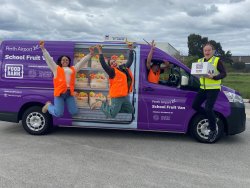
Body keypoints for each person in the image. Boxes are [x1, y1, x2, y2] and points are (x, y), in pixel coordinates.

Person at [40, 41, 94, 117]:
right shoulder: (56, 68)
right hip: (59, 94)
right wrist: (43, 49)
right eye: (63, 60)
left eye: (67, 60)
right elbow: (49, 59)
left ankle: (50, 106)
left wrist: (90, 54)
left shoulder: (73, 69)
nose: (65, 61)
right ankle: (48, 105)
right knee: (58, 114)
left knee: (74, 112)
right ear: (60, 61)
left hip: (69, 93)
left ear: (69, 61)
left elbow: (82, 62)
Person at [192, 43, 227, 142]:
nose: (207, 52)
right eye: (205, 50)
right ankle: (213, 118)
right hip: (203, 88)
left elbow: (224, 73)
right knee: (195, 106)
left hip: (213, 89)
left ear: (212, 51)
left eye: (209, 50)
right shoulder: (200, 61)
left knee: (208, 108)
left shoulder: (216, 60)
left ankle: (213, 130)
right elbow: (197, 72)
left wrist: (214, 77)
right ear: (203, 51)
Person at [92, 44, 134, 118]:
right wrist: (100, 51)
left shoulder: (122, 68)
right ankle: (100, 104)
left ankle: (114, 109)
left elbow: (130, 61)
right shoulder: (111, 71)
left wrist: (131, 49)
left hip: (124, 96)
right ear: (110, 66)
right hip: (116, 97)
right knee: (112, 114)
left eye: (114, 61)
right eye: (111, 63)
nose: (113, 63)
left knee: (131, 110)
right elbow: (103, 64)